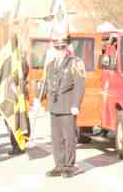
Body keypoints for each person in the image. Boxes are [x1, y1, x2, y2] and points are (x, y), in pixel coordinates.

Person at [34, 36, 85, 178]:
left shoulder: (75, 63)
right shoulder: (50, 65)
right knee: (56, 137)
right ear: (54, 49)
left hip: (68, 105)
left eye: (62, 47)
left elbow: (80, 85)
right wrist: (39, 97)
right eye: (57, 48)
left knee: (69, 137)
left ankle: (69, 165)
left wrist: (76, 104)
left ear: (67, 48)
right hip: (54, 105)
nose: (60, 50)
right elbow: (47, 85)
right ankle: (59, 165)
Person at [6, 55, 31, 156]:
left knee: (16, 122)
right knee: (15, 122)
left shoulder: (20, 62)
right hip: (13, 96)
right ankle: (19, 144)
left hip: (16, 96)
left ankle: (18, 145)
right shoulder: (15, 61)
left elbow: (22, 76)